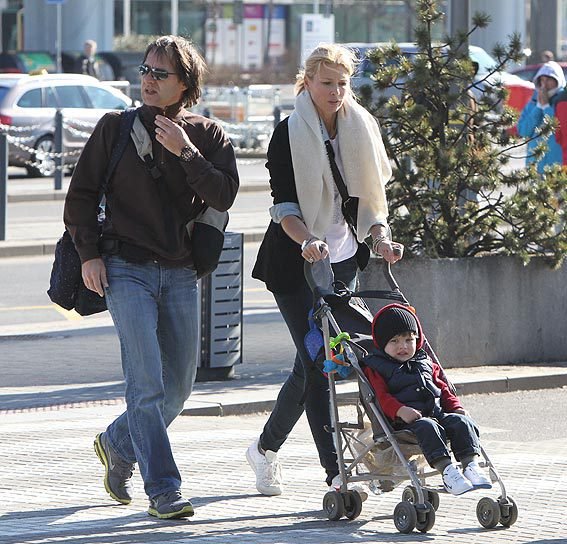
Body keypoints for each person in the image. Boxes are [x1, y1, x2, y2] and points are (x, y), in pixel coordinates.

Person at [63, 35, 238, 519]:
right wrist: (88, 255)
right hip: (124, 268)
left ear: (185, 84)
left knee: (178, 388)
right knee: (146, 384)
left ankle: (117, 442)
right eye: (145, 71)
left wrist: (186, 153)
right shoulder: (114, 129)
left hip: (181, 272)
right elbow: (79, 197)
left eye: (160, 74)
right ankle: (164, 489)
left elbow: (223, 196)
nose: (148, 80)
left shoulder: (207, 136)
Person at [246, 43, 404, 496]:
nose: (336, 92)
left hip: (344, 262)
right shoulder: (288, 133)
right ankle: (336, 471)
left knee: (320, 361)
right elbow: (284, 206)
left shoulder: (361, 128)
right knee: (321, 364)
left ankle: (264, 448)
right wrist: (308, 240)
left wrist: (381, 238)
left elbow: (370, 203)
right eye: (327, 83)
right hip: (295, 265)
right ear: (308, 82)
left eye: (343, 83)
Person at [362, 304, 492, 496]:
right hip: (405, 424)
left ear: (418, 339)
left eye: (409, 339)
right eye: (394, 341)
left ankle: (470, 465)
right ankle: (448, 471)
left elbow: (443, 389)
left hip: (437, 414)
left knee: (462, 422)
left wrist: (456, 408)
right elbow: (381, 397)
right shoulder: (377, 367)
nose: (403, 346)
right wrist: (399, 410)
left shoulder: (425, 362)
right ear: (382, 344)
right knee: (427, 426)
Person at [517, 61, 566, 173]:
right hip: (535, 167)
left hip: (557, 166)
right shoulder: (533, 102)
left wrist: (546, 107)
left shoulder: (562, 101)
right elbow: (524, 131)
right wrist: (538, 107)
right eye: (542, 80)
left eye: (549, 80)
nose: (544, 85)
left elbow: (560, 129)